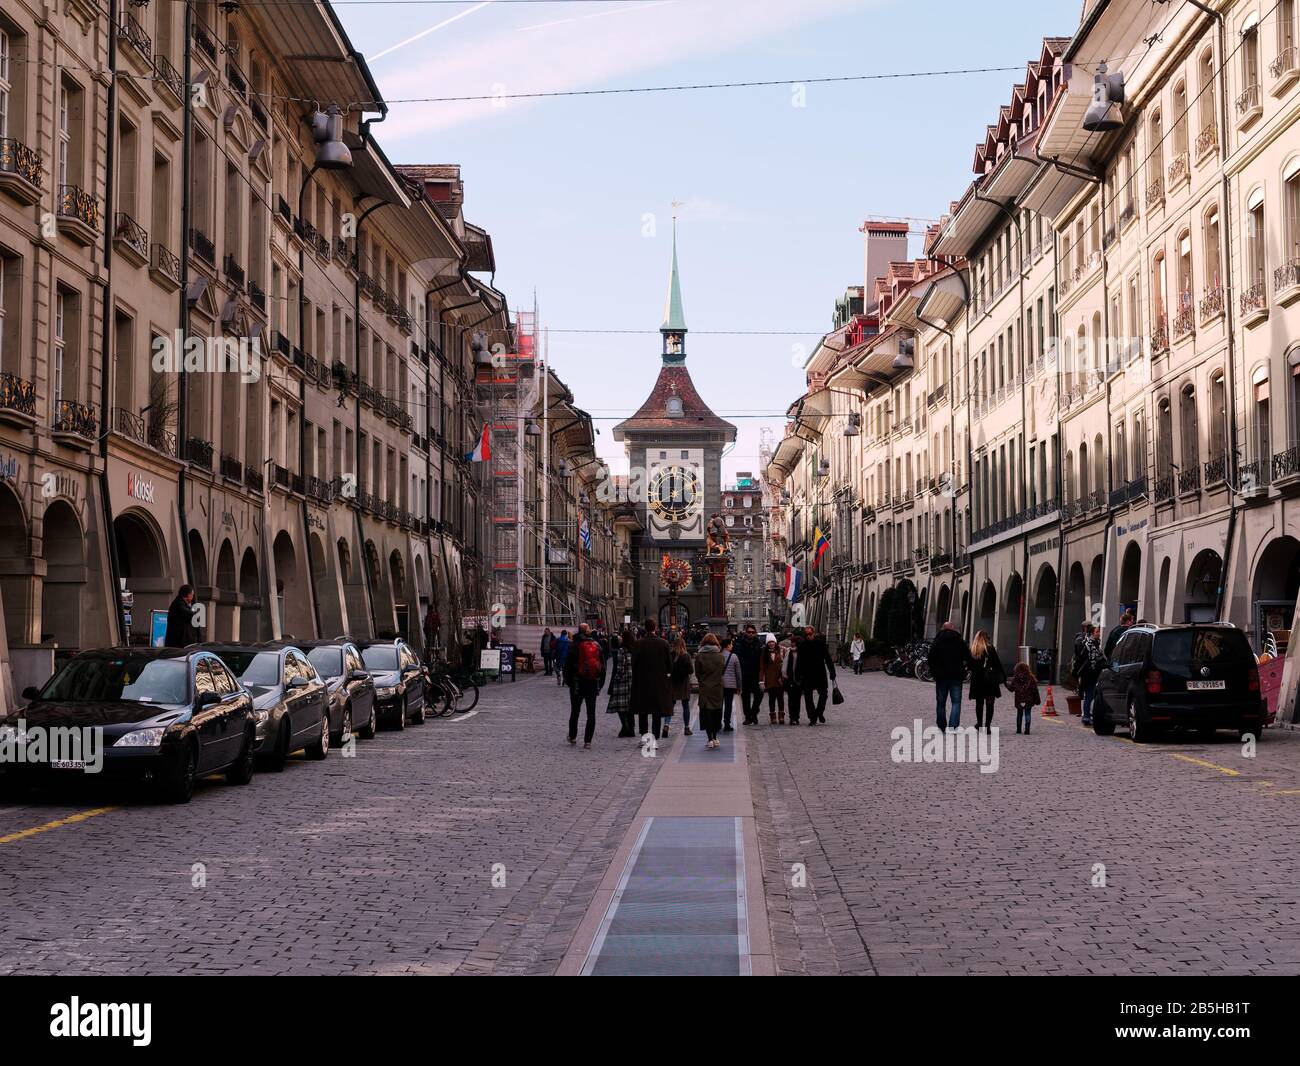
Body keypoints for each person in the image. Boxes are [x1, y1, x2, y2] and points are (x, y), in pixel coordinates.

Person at [630, 618, 673, 741]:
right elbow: (670, 665)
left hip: (642, 683)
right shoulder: (664, 643)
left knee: (643, 712)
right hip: (659, 683)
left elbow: (633, 663)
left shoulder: (639, 643)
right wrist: (666, 675)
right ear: (655, 628)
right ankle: (655, 738)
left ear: (645, 629)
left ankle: (644, 737)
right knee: (657, 712)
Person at [565, 623, 605, 749]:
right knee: (591, 713)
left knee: (575, 711)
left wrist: (569, 682)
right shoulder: (596, 645)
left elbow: (567, 666)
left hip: (577, 683)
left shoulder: (573, 645)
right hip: (592, 683)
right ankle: (588, 741)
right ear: (588, 631)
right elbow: (603, 667)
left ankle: (572, 736)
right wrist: (600, 684)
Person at [927, 621, 971, 731]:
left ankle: (942, 725)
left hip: (941, 676)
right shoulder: (959, 641)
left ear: (943, 628)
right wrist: (964, 668)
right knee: (956, 702)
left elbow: (930, 658)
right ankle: (953, 726)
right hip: (956, 676)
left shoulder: (937, 641)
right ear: (952, 629)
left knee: (941, 702)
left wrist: (934, 671)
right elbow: (967, 656)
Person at [795, 627, 836, 725]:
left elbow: (828, 659)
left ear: (813, 633)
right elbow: (799, 662)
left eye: (810, 634)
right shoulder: (802, 645)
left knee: (824, 695)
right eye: (806, 635)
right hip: (807, 675)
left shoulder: (820, 644)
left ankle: (819, 712)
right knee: (808, 698)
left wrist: (832, 672)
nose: (808, 636)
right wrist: (797, 675)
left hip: (820, 673)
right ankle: (812, 717)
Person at [968, 629, 1005, 733]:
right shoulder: (990, 649)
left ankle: (979, 724)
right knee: (990, 703)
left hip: (977, 680)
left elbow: (969, 666)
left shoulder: (973, 650)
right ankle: (987, 726)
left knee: (979, 703)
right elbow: (997, 664)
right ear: (986, 638)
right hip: (990, 680)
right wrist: (1003, 678)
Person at [694, 633, 726, 749]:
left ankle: (710, 739)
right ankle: (715, 737)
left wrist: (703, 680)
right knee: (716, 713)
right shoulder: (720, 656)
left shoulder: (699, 656)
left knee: (706, 713)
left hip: (705, 688)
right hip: (717, 688)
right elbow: (722, 671)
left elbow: (697, 673)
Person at [1072, 622, 1105, 727]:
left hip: (1088, 673)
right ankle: (1086, 716)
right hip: (1090, 673)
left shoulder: (1088, 642)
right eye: (1097, 631)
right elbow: (1094, 659)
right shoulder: (1090, 644)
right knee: (1090, 694)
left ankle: (1087, 715)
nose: (1099, 633)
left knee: (1089, 695)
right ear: (1091, 633)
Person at [606, 630, 636, 737]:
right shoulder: (635, 650)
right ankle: (631, 728)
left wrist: (616, 680)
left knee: (620, 706)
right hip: (633, 681)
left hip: (623, 682)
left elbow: (619, 668)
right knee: (629, 707)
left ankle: (625, 727)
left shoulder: (621, 651)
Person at [734, 625, 764, 725]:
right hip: (744, 674)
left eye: (752, 632)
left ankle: (754, 713)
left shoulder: (759, 644)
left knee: (759, 695)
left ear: (755, 633)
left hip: (756, 674)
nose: (750, 634)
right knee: (745, 697)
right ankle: (748, 717)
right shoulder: (739, 643)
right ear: (745, 632)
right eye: (749, 632)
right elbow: (737, 658)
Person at [669, 634, 694, 738]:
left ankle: (666, 725)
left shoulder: (670, 654)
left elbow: (667, 668)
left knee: (670, 705)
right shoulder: (686, 655)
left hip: (673, 682)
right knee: (685, 705)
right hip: (683, 682)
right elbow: (691, 670)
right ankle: (687, 727)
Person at [1008, 661, 1040, 735]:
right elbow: (1035, 690)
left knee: (1019, 714)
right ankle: (1027, 729)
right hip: (1028, 700)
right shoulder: (1031, 678)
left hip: (1019, 700)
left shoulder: (1015, 679)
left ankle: (1018, 729)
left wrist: (1006, 684)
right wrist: (1037, 700)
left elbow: (1011, 689)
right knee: (1028, 713)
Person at [720, 636, 742, 731]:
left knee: (719, 705)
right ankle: (727, 724)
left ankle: (717, 722)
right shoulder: (734, 656)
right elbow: (738, 673)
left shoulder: (718, 656)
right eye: (731, 644)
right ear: (728, 645)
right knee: (728, 705)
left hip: (719, 684)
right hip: (730, 685)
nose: (732, 646)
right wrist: (739, 687)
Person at [761, 638, 785, 723]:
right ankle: (773, 717)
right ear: (767, 643)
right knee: (771, 698)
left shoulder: (781, 651)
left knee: (780, 698)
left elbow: (784, 664)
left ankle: (781, 716)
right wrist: (761, 680)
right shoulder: (765, 653)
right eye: (769, 642)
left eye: (773, 642)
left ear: (775, 642)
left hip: (779, 679)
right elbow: (762, 667)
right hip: (770, 679)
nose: (771, 643)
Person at [783, 630, 804, 724]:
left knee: (797, 699)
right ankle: (792, 717)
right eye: (792, 642)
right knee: (791, 699)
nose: (792, 644)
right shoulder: (788, 652)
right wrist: (785, 676)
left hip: (799, 679)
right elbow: (784, 665)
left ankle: (797, 717)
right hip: (790, 679)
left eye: (794, 643)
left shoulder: (801, 653)